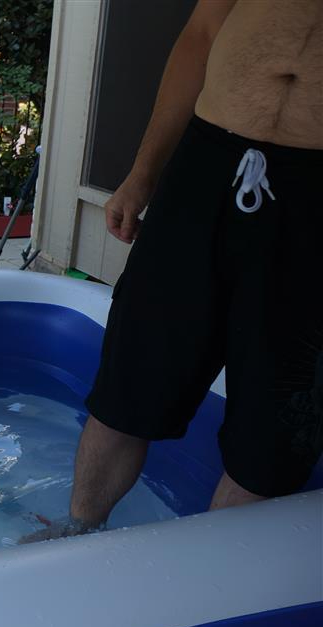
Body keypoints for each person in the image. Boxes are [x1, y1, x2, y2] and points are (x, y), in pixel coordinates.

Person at [24, 0, 323, 542]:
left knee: (277, 426)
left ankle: (210, 577)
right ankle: (76, 530)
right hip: (207, 161)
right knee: (132, 376)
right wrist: (142, 173)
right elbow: (203, 32)